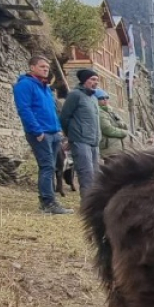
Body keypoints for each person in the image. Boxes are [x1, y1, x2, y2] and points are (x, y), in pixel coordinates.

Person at [12, 55, 72, 215]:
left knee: (51, 167)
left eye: (47, 67)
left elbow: (52, 111)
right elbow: (24, 110)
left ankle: (49, 200)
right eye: (42, 67)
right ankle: (48, 202)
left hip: (53, 132)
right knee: (46, 167)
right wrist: (37, 131)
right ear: (32, 67)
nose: (46, 70)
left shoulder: (45, 87)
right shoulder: (25, 85)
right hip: (40, 133)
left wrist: (58, 129)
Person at [59, 69, 102, 194]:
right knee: (86, 173)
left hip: (93, 141)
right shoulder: (75, 95)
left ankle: (95, 203)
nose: (95, 82)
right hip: (80, 140)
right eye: (92, 79)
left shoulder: (93, 98)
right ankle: (87, 204)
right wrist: (70, 136)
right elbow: (64, 117)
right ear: (84, 80)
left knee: (95, 174)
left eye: (97, 80)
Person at [96, 89, 129, 162]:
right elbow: (107, 129)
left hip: (118, 147)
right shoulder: (99, 112)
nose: (105, 100)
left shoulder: (111, 111)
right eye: (101, 98)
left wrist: (121, 126)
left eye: (107, 97)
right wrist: (123, 132)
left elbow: (124, 125)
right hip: (109, 149)